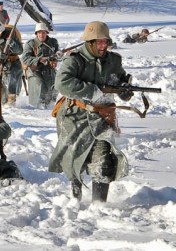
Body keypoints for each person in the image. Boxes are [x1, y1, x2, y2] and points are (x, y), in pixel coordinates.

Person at [49, 21, 132, 203]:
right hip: (75, 117)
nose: (103, 46)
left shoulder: (114, 60)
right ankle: (75, 197)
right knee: (74, 160)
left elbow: (120, 82)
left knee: (103, 162)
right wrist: (93, 90)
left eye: (105, 42)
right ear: (90, 42)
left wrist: (125, 89)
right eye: (99, 42)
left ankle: (98, 206)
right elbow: (62, 83)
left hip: (102, 118)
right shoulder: (75, 59)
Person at [21, 23, 60, 108]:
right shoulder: (31, 44)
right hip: (35, 71)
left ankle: (50, 105)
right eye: (39, 33)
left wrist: (58, 57)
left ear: (46, 33)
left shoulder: (53, 42)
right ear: (36, 33)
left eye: (43, 32)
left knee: (56, 86)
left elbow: (58, 55)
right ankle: (38, 107)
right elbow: (24, 58)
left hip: (49, 70)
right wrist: (39, 60)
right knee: (39, 86)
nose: (41, 35)